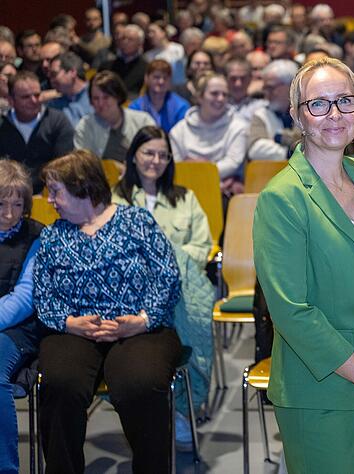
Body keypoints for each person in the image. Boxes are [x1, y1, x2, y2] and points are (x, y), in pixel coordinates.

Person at [252, 57, 354, 473]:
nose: (335, 115)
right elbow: (292, 311)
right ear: (297, 116)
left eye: (345, 101)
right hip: (323, 388)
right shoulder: (282, 197)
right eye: (319, 104)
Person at [33, 149, 182, 473]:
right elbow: (43, 295)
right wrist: (70, 322)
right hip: (73, 330)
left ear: (82, 186)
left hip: (139, 328)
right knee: (60, 384)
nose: (49, 200)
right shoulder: (53, 235)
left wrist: (142, 321)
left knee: (139, 384)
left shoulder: (136, 221)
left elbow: (167, 276)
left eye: (55, 190)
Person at [112, 126, 213, 451]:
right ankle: (146, 403)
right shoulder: (116, 199)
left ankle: (182, 408)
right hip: (133, 291)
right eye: (149, 153)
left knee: (187, 311)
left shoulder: (185, 198)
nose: (155, 160)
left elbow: (203, 246)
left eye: (163, 155)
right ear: (134, 156)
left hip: (181, 286)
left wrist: (170, 261)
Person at [0, 160, 43, 474]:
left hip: (19, 330)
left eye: (18, 204)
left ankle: (7, 468)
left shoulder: (37, 236)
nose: (9, 213)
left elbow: (24, 299)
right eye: (1, 203)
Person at [169, 72, 248, 196]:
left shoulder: (238, 127)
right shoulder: (179, 130)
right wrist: (208, 173)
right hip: (185, 189)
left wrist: (195, 166)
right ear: (199, 97)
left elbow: (233, 163)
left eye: (225, 94)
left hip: (224, 193)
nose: (221, 99)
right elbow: (177, 167)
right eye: (214, 93)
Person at [0, 70, 75, 195]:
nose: (34, 101)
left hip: (49, 196)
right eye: (26, 97)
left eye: (37, 95)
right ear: (10, 100)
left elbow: (64, 166)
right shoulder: (2, 125)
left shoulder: (57, 121)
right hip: (6, 196)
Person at [74, 71, 156, 163]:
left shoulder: (143, 121)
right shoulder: (85, 126)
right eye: (96, 98)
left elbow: (155, 156)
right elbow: (82, 166)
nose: (100, 103)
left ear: (118, 96)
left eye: (106, 97)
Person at [248, 59, 301, 162]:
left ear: (290, 86)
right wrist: (289, 152)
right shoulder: (261, 114)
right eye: (265, 88)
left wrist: (279, 139)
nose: (266, 93)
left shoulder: (306, 113)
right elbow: (255, 150)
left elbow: (310, 144)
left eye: (271, 88)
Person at [129, 59, 190, 132]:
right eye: (156, 77)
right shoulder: (135, 108)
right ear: (146, 78)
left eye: (165, 78)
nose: (161, 81)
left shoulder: (181, 107)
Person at [100, 24, 149, 99]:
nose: (125, 42)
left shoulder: (147, 68)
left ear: (140, 44)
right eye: (123, 38)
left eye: (130, 39)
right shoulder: (106, 66)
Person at [47, 51, 93, 126]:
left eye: (54, 74)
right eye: (49, 76)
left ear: (72, 72)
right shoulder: (53, 105)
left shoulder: (97, 95)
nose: (51, 80)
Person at [145, 21, 187, 86]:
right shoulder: (148, 55)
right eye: (148, 32)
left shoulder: (178, 49)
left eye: (153, 32)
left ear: (163, 32)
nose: (150, 35)